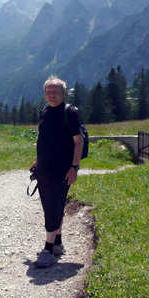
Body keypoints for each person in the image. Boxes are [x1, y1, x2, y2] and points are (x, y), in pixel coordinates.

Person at [30, 76, 84, 268]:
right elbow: (44, 139)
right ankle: (58, 243)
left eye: (56, 92)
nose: (52, 95)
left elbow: (78, 142)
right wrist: (38, 161)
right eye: (48, 92)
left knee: (53, 206)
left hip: (62, 169)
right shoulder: (45, 112)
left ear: (63, 93)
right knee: (51, 205)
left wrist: (74, 168)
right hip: (44, 169)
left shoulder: (70, 113)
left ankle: (48, 249)